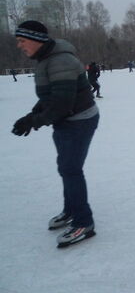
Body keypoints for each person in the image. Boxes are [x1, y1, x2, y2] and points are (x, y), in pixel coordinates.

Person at [11, 20, 99, 248]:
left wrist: (33, 121)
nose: (20, 45)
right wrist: (32, 115)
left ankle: (83, 222)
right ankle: (71, 210)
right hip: (66, 120)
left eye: (22, 40)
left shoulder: (60, 61)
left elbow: (61, 104)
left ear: (36, 40)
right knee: (66, 167)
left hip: (79, 120)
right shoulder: (46, 59)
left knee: (70, 169)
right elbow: (51, 97)